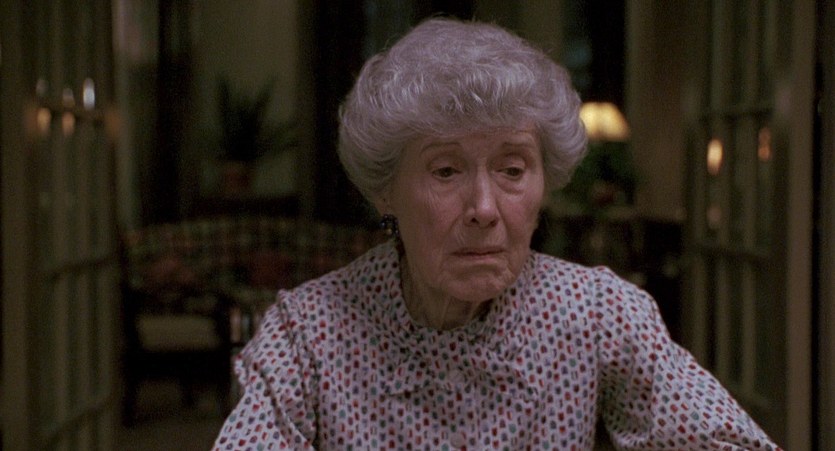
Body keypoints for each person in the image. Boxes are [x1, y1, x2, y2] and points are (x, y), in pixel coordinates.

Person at [214, 18, 780, 450]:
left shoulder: (599, 314)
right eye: (445, 171)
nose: (485, 209)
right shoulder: (306, 334)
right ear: (385, 191)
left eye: (512, 169)